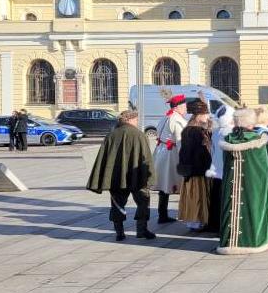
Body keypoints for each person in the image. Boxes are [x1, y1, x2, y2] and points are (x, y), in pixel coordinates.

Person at [85, 109, 156, 241]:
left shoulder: (111, 134)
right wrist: (150, 177)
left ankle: (119, 233)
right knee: (143, 201)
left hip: (116, 176)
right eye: (136, 119)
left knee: (117, 203)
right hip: (137, 176)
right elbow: (146, 158)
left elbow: (104, 157)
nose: (137, 122)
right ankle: (142, 230)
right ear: (129, 120)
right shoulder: (139, 135)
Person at [217, 107, 268, 255]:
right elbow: (263, 167)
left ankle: (230, 242)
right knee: (254, 206)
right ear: (251, 123)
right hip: (254, 183)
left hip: (231, 183)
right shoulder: (259, 140)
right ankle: (255, 240)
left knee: (231, 205)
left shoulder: (228, 140)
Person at [177, 97, 213, 232]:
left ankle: (197, 221)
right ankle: (196, 221)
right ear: (199, 115)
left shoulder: (193, 129)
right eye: (206, 114)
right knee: (197, 197)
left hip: (194, 169)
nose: (207, 117)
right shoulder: (194, 131)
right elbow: (193, 152)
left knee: (195, 196)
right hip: (196, 170)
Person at [152, 93, 188, 224]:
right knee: (171, 183)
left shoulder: (166, 117)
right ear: (177, 107)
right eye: (184, 106)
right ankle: (174, 214)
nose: (186, 109)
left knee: (164, 184)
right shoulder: (176, 119)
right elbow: (180, 140)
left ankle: (162, 214)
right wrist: (185, 158)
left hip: (161, 152)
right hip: (170, 154)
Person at [204, 102, 234, 234]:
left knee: (215, 200)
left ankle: (214, 224)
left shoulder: (217, 131)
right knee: (224, 201)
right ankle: (221, 226)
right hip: (225, 170)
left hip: (215, 169)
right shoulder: (229, 132)